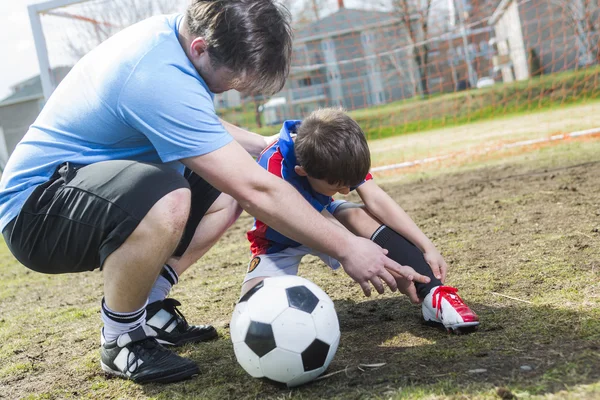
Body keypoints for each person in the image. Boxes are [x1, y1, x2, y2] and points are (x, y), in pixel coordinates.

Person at [0, 0, 429, 384]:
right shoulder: (153, 72)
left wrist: (265, 147)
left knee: (220, 189)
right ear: (201, 48)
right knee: (171, 196)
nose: (240, 89)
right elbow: (257, 190)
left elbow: (194, 126)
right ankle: (120, 340)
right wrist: (349, 248)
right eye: (235, 80)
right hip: (37, 211)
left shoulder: (173, 43)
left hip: (85, 189)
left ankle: (145, 306)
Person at [243, 108, 479, 332]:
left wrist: (427, 246)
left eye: (350, 183)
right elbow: (319, 224)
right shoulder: (273, 168)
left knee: (356, 214)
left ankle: (433, 294)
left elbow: (376, 198)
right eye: (337, 186)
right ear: (302, 171)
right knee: (252, 316)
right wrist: (386, 266)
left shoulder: (336, 145)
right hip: (278, 241)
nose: (346, 191)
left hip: (326, 216)